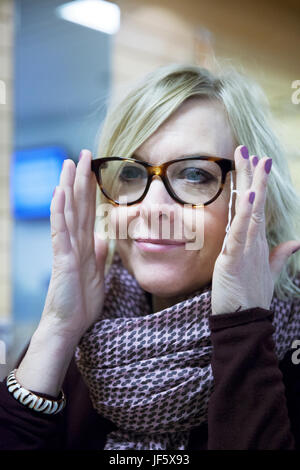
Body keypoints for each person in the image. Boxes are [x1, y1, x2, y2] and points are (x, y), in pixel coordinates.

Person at [1, 62, 300, 451]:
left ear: (261, 201)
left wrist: (242, 327)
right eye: (130, 173)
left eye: (195, 175)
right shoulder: (81, 336)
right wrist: (58, 329)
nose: (151, 207)